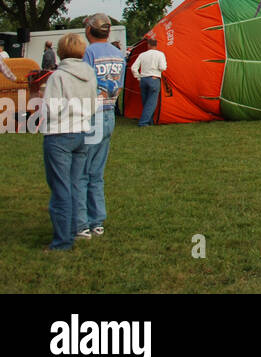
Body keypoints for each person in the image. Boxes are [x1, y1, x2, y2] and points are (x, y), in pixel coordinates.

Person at [38, 33, 97, 252]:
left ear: (61, 51)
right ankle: (76, 227)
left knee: (60, 188)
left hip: (59, 134)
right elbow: (93, 104)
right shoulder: (89, 73)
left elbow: (51, 109)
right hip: (81, 132)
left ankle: (62, 241)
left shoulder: (58, 77)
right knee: (75, 184)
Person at [79, 13, 126, 239]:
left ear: (89, 30)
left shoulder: (88, 53)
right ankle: (97, 220)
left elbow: (84, 84)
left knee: (82, 170)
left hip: (92, 114)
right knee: (97, 172)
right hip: (109, 114)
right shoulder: (118, 54)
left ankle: (82, 222)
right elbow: (120, 86)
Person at [131, 35, 168, 126]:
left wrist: (139, 77)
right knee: (151, 102)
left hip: (143, 79)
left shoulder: (142, 55)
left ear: (148, 45)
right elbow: (162, 67)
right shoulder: (160, 54)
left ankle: (149, 121)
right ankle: (143, 122)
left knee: (146, 101)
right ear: (156, 45)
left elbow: (133, 68)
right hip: (154, 78)